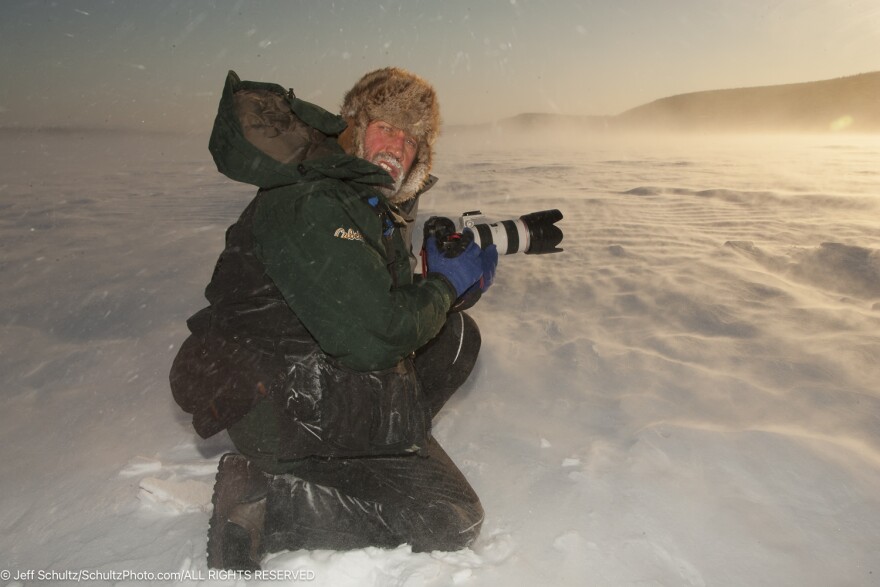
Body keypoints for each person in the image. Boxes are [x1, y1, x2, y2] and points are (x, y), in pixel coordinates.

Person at [169, 67, 498, 570]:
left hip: (315, 380)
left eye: (412, 138)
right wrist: (445, 284)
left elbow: (370, 300)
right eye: (386, 126)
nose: (397, 144)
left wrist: (451, 287)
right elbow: (374, 336)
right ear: (354, 128)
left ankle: (382, 449)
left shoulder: (359, 201)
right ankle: (268, 497)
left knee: (454, 338)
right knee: (451, 520)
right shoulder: (314, 201)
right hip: (281, 403)